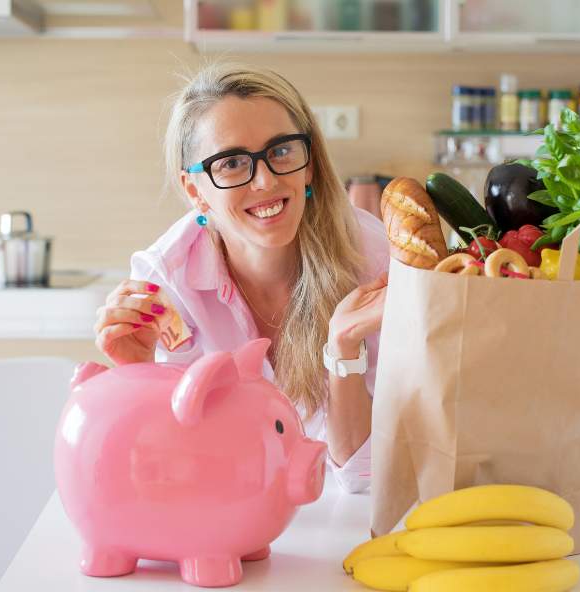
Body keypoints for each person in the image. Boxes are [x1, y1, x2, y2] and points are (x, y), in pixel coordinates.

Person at [93, 63, 389, 493]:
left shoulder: (372, 259)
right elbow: (171, 466)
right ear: (195, 190)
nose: (266, 180)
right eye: (231, 162)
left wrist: (343, 346)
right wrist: (138, 378)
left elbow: (362, 476)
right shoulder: (167, 282)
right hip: (227, 508)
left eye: (282, 150)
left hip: (344, 519)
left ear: (309, 165)